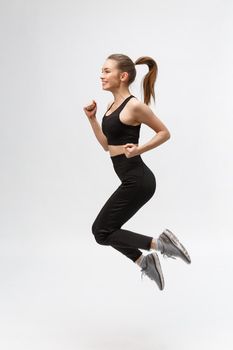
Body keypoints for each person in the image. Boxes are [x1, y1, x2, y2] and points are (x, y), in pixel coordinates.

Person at [83, 53, 191, 291]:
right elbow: (106, 146)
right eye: (102, 71)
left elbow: (164, 132)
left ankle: (161, 244)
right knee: (103, 232)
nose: (101, 75)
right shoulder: (111, 107)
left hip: (139, 180)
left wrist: (140, 148)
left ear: (123, 76)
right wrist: (92, 120)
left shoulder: (134, 105)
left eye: (106, 71)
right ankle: (145, 260)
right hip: (131, 179)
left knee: (100, 230)